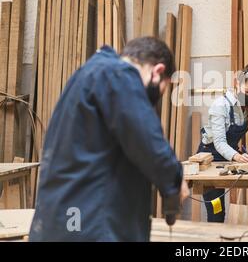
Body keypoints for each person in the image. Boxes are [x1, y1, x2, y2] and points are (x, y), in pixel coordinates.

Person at [29, 37, 189, 242]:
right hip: (89, 227)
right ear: (157, 71)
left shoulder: (89, 75)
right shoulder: (118, 75)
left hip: (63, 223)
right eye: (160, 91)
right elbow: (148, 142)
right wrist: (174, 179)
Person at [197, 64, 248, 223]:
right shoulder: (221, 105)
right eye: (247, 91)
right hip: (210, 158)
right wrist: (236, 156)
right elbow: (219, 142)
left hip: (230, 156)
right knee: (216, 212)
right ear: (237, 83)